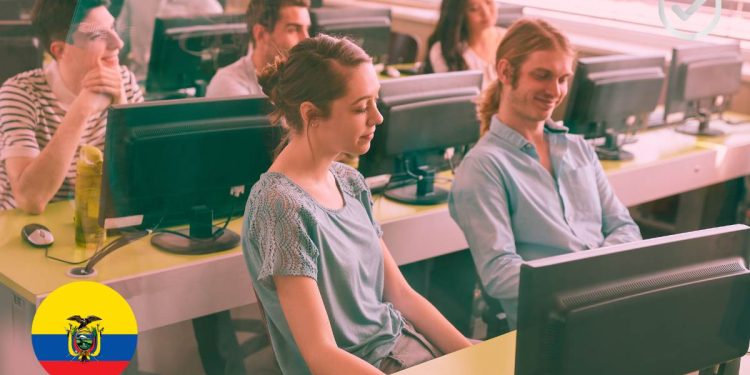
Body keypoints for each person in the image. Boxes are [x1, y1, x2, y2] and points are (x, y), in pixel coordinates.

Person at [243, 34, 472, 375]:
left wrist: (470, 355)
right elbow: (320, 355)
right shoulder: (281, 206)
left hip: (406, 348)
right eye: (360, 107)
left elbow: (401, 295)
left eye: (375, 102)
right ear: (311, 114)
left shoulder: (349, 181)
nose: (377, 117)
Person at [449, 18, 642, 328]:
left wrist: (599, 278)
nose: (555, 90)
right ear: (505, 72)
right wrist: (590, 282)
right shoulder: (483, 167)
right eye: (542, 76)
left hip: (608, 307)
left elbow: (624, 227)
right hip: (554, 325)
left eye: (563, 78)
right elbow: (500, 274)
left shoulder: (578, 149)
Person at [0, 0, 143, 213]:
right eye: (98, 35)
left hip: (91, 224)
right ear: (60, 50)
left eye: (112, 28)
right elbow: (31, 199)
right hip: (26, 230)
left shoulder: (124, 81)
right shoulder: (19, 93)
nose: (118, 43)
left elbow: (141, 181)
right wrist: (82, 109)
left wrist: (121, 109)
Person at [205, 0, 310, 98]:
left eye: (307, 29)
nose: (307, 39)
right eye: (293, 30)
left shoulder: (304, 79)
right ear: (260, 34)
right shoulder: (228, 85)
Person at [116, 0, 224, 81]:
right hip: (140, 83)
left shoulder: (207, 5)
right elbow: (117, 44)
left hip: (191, 87)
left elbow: (218, 56)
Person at [423, 0, 503, 88]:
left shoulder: (509, 38)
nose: (486, 13)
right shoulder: (444, 50)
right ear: (459, 14)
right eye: (474, 9)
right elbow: (454, 96)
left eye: (488, 2)